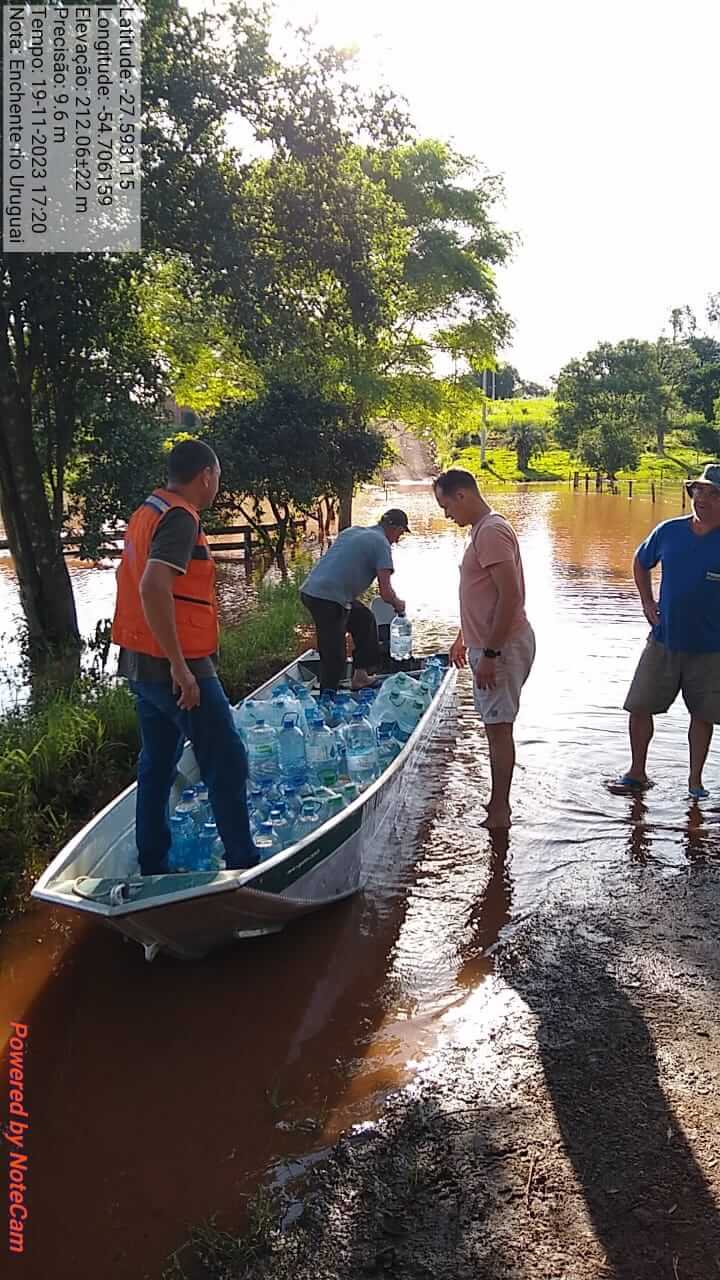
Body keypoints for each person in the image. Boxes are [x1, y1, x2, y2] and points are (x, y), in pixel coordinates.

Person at [111, 439, 257, 875]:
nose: (216, 488)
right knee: (226, 760)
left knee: (157, 762)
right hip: (175, 665)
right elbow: (153, 586)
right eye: (217, 480)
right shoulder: (180, 518)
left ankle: (153, 862)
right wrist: (180, 666)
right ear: (205, 476)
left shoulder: (147, 511)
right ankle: (243, 866)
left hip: (138, 659)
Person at [433, 468, 536, 829]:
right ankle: (497, 803)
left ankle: (500, 811)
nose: (447, 515)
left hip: (502, 647)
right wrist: (465, 637)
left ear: (462, 495)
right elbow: (485, 595)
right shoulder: (482, 531)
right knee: (495, 725)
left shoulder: (490, 531)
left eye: (446, 505)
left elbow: (511, 596)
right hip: (490, 643)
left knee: (498, 728)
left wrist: (490, 654)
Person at [619, 463, 720, 799]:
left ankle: (695, 782)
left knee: (703, 716)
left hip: (711, 648)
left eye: (712, 492)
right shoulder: (669, 531)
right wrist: (647, 601)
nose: (701, 498)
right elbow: (640, 561)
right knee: (639, 706)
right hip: (664, 640)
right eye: (699, 490)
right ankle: (636, 773)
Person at [300, 509, 409, 691]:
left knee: (364, 619)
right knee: (334, 655)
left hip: (314, 591)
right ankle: (328, 699)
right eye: (401, 533)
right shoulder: (381, 544)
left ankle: (360, 676)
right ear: (394, 528)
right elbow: (386, 592)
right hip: (327, 599)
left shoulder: (354, 531)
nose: (398, 539)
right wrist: (398, 605)